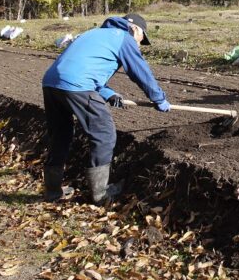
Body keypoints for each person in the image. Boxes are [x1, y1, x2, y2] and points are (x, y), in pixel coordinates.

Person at [41, 14, 171, 203]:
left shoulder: (95, 34)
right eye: (142, 39)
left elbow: (85, 67)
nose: (139, 44)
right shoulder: (124, 38)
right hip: (77, 85)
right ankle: (101, 194)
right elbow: (140, 71)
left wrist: (108, 94)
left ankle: (52, 192)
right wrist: (159, 98)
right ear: (135, 29)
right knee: (104, 134)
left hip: (51, 83)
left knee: (60, 135)